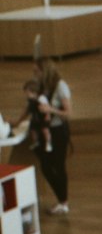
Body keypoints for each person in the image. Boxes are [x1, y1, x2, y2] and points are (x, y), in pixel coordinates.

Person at [33, 58, 72, 214]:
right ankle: (62, 199)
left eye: (37, 71)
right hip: (49, 129)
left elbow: (68, 113)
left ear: (44, 71)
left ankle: (63, 201)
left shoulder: (60, 86)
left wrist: (50, 109)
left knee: (57, 166)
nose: (35, 75)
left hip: (59, 131)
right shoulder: (44, 86)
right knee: (47, 166)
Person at [17, 79, 53, 153]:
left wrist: (47, 115)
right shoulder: (30, 100)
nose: (26, 95)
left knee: (45, 130)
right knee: (33, 130)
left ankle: (48, 143)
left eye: (27, 93)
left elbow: (47, 108)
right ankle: (35, 142)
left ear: (34, 92)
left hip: (43, 117)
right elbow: (27, 110)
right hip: (35, 118)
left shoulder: (41, 98)